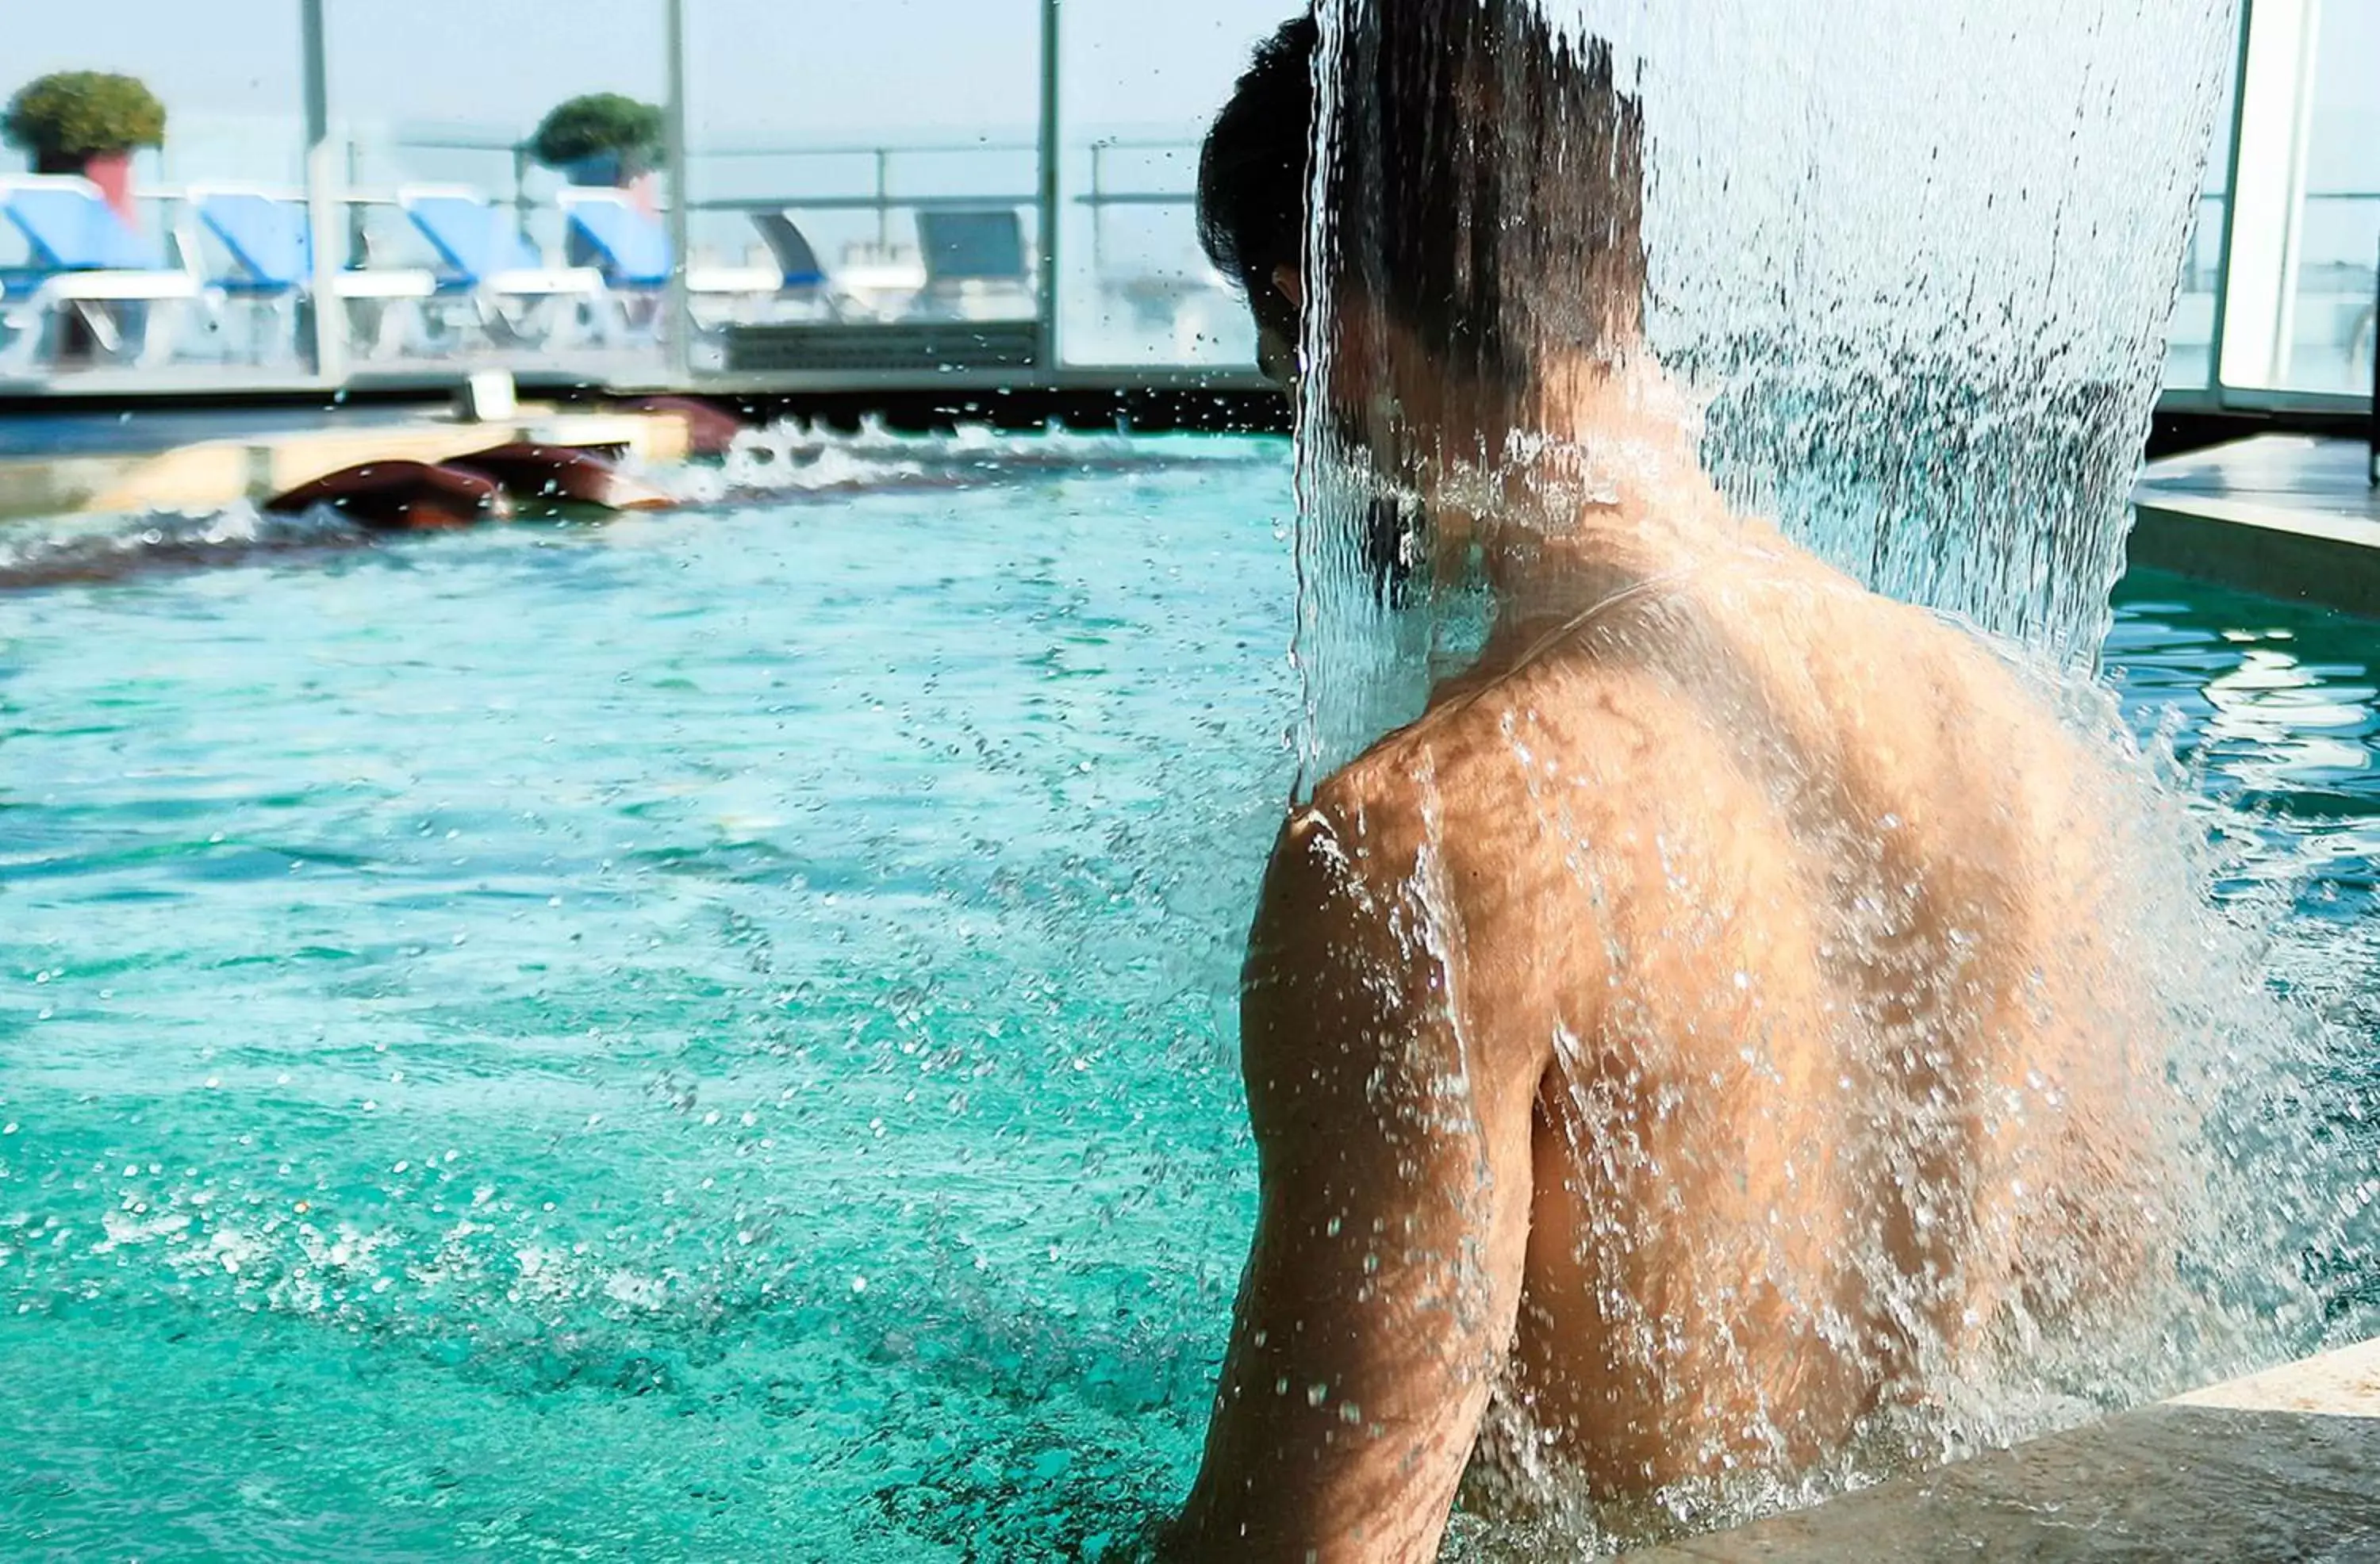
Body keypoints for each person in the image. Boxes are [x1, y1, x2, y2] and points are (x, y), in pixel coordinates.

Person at [1167, 8, 2174, 1559]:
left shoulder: (1424, 843)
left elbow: (1309, 1549)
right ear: (1615, 271)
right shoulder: (2015, 739)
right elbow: (2115, 1333)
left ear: (1326, 320)